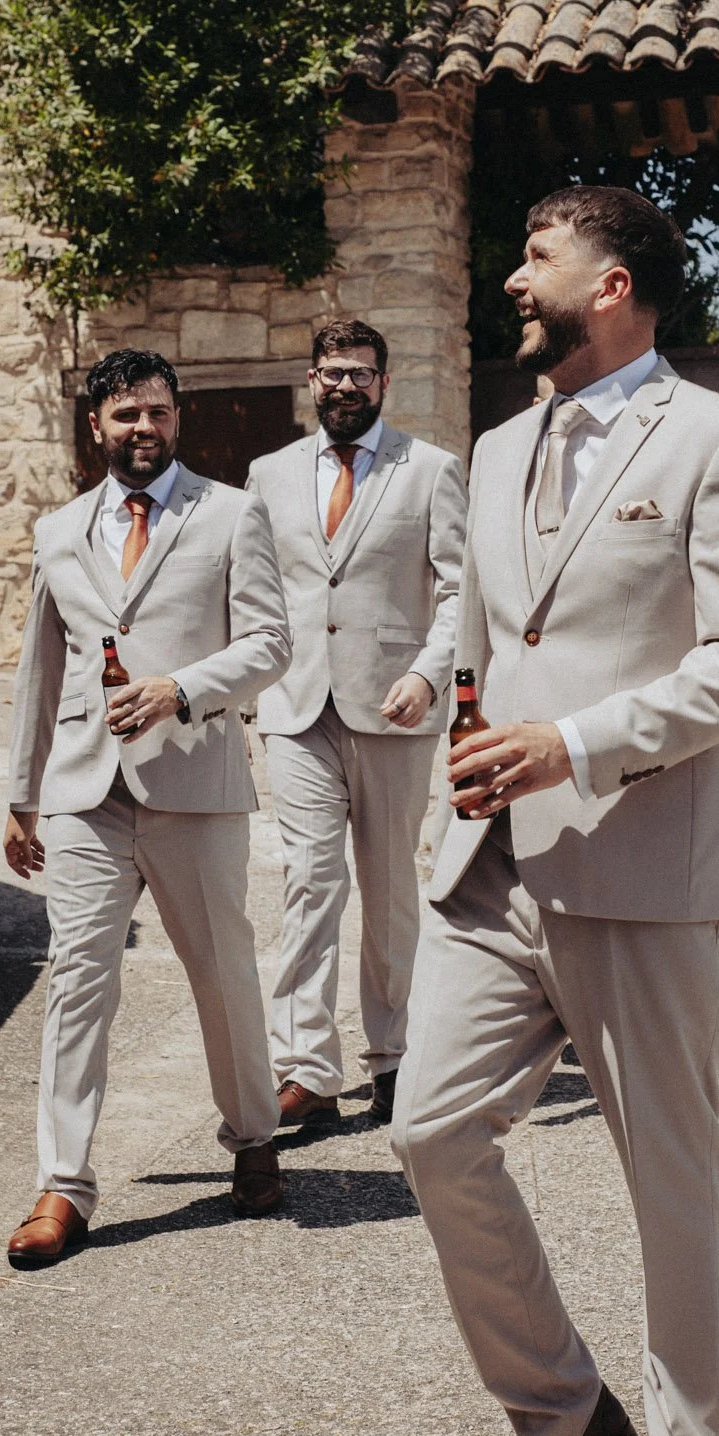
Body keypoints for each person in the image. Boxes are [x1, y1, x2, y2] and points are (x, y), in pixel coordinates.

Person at [390, 188, 719, 1436]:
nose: (510, 276)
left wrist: (577, 740)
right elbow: (486, 626)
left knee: (670, 1180)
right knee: (429, 1129)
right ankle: (561, 1422)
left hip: (645, 855)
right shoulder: (491, 450)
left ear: (613, 284)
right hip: (493, 862)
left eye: (536, 257)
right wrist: (451, 702)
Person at [3, 349, 292, 1267]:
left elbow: (271, 644)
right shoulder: (57, 531)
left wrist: (182, 688)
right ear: (97, 425)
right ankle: (63, 1184)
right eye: (125, 415)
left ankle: (252, 1138)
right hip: (88, 792)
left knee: (222, 972)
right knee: (78, 981)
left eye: (158, 413)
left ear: (178, 418)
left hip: (196, 784)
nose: (143, 429)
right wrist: (22, 793)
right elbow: (39, 673)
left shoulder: (233, 515)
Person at [247, 318, 466, 1132]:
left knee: (388, 892)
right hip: (296, 706)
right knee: (308, 882)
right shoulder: (267, 474)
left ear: (383, 383)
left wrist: (424, 673)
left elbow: (458, 592)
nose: (346, 385)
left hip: (393, 707)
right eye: (332, 372)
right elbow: (257, 592)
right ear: (311, 380)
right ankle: (305, 1068)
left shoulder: (431, 470)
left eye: (361, 374)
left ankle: (395, 1058)